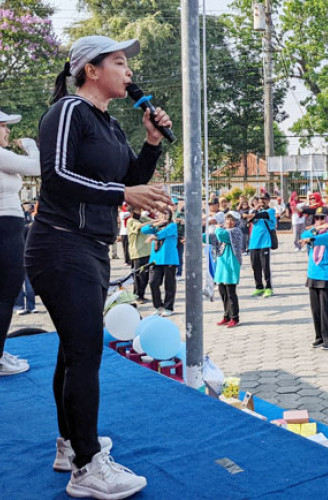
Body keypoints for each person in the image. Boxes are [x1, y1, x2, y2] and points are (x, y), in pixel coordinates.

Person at [25, 35, 172, 497]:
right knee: (86, 351)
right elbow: (58, 175)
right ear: (91, 69)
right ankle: (88, 468)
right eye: (120, 62)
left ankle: (72, 444)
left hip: (89, 247)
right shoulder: (68, 111)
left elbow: (129, 180)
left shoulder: (109, 125)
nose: (129, 73)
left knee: (74, 351)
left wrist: (151, 144)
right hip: (60, 244)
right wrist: (123, 195)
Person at [0, 110, 39, 375]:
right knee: (5, 296)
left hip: (8, 229)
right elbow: (38, 167)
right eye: (3, 126)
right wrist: (30, 146)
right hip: (6, 229)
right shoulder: (2, 155)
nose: (7, 132)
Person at [301, 206, 328, 350]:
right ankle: (320, 336)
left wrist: (313, 234)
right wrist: (314, 230)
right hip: (313, 273)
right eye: (316, 218)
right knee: (315, 308)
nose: (318, 221)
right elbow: (304, 235)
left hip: (326, 274)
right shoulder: (315, 231)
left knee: (325, 309)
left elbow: (320, 239)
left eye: (322, 218)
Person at [142, 209, 179, 317]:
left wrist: (155, 236)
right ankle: (158, 306)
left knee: (169, 284)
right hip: (156, 259)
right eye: (161, 213)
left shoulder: (172, 226)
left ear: (170, 215)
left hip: (169, 258)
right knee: (153, 282)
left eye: (166, 213)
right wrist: (154, 224)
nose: (163, 215)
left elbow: (164, 233)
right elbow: (144, 230)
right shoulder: (156, 227)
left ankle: (168, 307)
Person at [214, 212, 244, 328]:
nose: (229, 222)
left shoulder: (235, 231)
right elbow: (212, 238)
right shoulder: (224, 230)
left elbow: (221, 236)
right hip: (222, 264)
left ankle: (234, 317)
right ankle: (226, 315)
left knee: (230, 292)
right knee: (223, 291)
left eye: (232, 220)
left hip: (231, 264)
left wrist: (216, 227)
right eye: (227, 220)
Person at [243, 193, 276, 297]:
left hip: (264, 242)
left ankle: (269, 287)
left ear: (269, 200)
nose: (262, 201)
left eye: (265, 199)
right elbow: (247, 222)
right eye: (261, 199)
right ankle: (259, 287)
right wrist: (254, 212)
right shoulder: (255, 211)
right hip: (253, 243)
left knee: (265, 266)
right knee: (255, 266)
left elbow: (262, 216)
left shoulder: (270, 211)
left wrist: (253, 212)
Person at [126, 207, 152, 303]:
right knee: (138, 276)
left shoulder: (143, 218)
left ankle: (142, 295)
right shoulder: (131, 221)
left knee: (145, 276)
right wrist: (153, 223)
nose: (139, 212)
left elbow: (152, 221)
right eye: (137, 210)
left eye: (140, 210)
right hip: (137, 253)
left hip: (147, 252)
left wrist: (159, 220)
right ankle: (136, 296)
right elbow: (140, 226)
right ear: (132, 212)